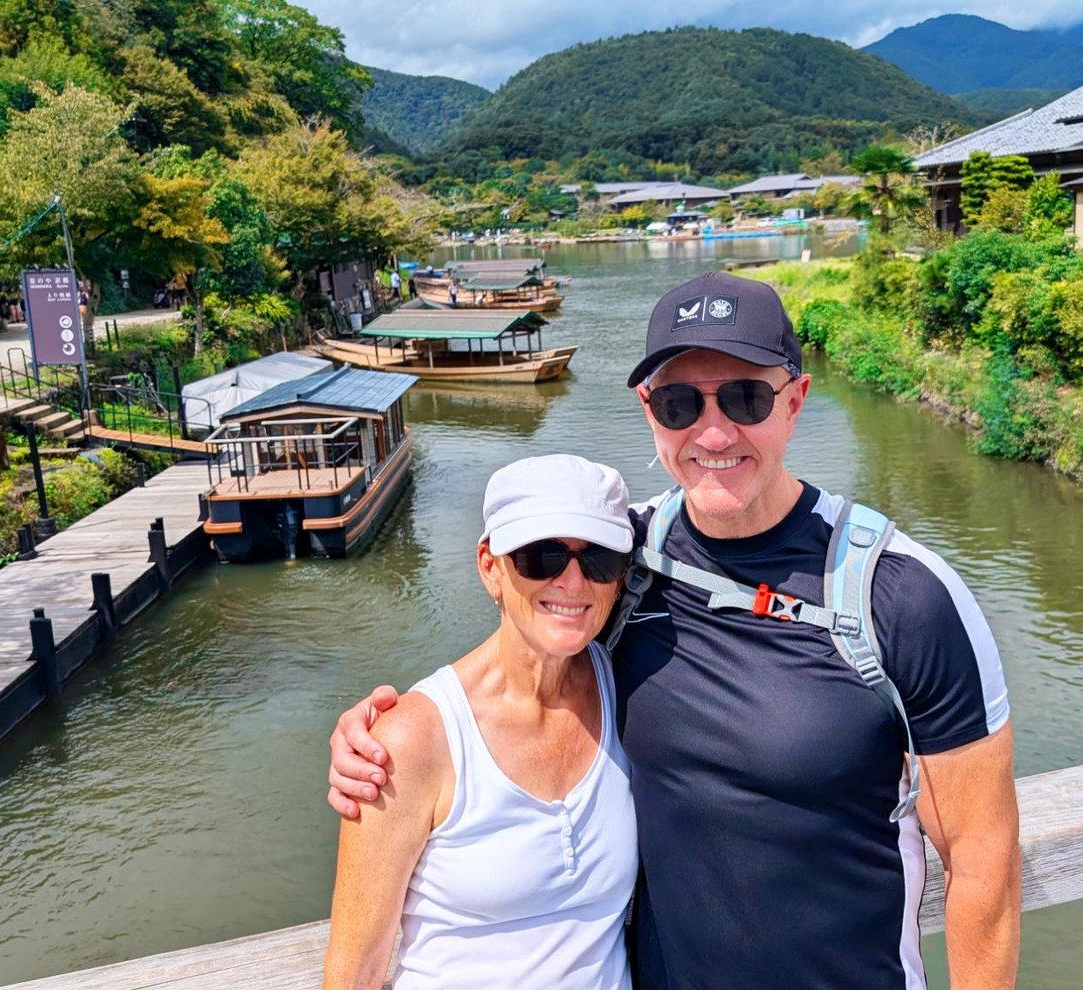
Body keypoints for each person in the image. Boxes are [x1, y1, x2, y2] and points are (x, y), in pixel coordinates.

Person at [327, 271, 1020, 989]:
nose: (713, 433)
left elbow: (982, 860)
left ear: (797, 402)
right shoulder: (622, 560)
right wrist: (393, 732)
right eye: (681, 402)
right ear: (648, 410)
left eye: (746, 398)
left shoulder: (898, 596)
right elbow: (531, 620)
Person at [322, 455, 636, 990]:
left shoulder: (628, 684)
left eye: (600, 559)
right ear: (490, 566)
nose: (574, 581)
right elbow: (356, 973)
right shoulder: (411, 741)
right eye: (541, 556)